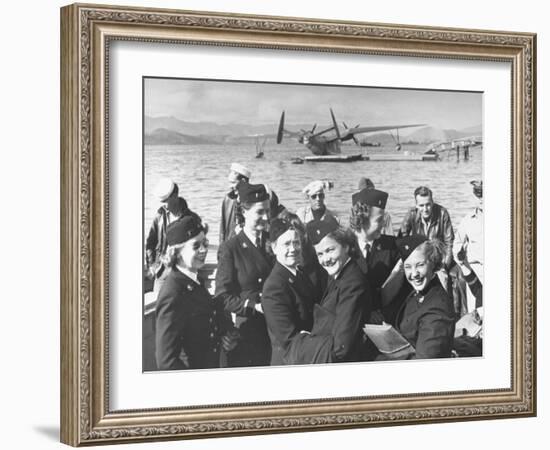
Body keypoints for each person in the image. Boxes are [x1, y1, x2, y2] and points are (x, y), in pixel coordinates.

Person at [155, 216, 238, 370]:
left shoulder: (194, 281)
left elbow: (206, 320)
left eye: (205, 244)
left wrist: (227, 333)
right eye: (196, 246)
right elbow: (166, 362)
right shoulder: (173, 293)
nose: (203, 250)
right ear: (177, 252)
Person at [286, 220, 372, 364]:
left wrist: (305, 342)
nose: (326, 259)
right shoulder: (338, 276)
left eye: (330, 250)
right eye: (320, 254)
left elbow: (342, 347)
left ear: (345, 246)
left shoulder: (352, 284)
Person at [215, 183, 275, 367]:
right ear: (244, 212)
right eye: (259, 212)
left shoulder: (275, 241)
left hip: (276, 327)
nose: (265, 217)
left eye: (267, 211)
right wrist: (253, 307)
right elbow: (222, 296)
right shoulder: (231, 248)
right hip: (248, 330)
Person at [261, 218, 316, 365]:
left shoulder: (300, 275)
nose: (293, 249)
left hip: (306, 355)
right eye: (286, 244)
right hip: (289, 363)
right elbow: (289, 339)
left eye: (296, 242)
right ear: (274, 248)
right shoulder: (274, 287)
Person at [391, 235, 456, 360]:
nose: (414, 274)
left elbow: (425, 360)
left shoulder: (437, 308)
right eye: (408, 267)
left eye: (420, 265)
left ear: (433, 263)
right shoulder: (415, 293)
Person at [349, 187, 404, 325]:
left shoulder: (392, 247)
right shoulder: (344, 248)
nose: (384, 224)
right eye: (379, 220)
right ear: (362, 219)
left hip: (385, 319)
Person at [145, 178, 201, 292]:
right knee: (158, 302)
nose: (164, 205)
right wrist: (153, 265)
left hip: (184, 272)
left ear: (175, 196)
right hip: (162, 271)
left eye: (166, 201)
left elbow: (199, 247)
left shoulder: (192, 219)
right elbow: (150, 243)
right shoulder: (159, 217)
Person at [399, 186, 454, 270]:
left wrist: (445, 267)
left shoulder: (443, 213)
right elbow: (402, 240)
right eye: (421, 205)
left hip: (438, 259)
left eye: (428, 204)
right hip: (419, 258)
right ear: (416, 205)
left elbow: (449, 243)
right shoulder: (411, 214)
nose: (425, 209)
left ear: (432, 202)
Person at [451, 180, 484, 316]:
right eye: (478, 195)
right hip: (474, 272)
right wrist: (463, 264)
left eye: (484, 195)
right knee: (475, 313)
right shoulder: (467, 220)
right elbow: (456, 245)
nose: (481, 199)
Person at [219, 163, 251, 245]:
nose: (230, 186)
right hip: (228, 246)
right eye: (229, 183)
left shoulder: (252, 202)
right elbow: (222, 229)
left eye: (233, 183)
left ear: (243, 182)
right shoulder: (228, 199)